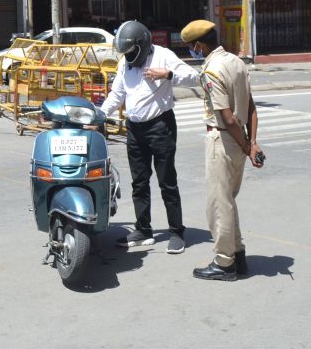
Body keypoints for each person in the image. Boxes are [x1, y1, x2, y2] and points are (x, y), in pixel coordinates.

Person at [100, 20, 199, 254]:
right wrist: (99, 115)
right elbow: (117, 94)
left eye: (132, 51)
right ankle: (143, 229)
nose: (129, 56)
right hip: (135, 130)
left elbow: (194, 77)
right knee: (139, 182)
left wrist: (168, 75)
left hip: (160, 127)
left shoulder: (164, 56)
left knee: (167, 182)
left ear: (142, 44)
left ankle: (176, 231)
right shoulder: (125, 64)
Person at [181, 20, 264, 281]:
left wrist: (245, 145)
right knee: (228, 201)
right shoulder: (236, 62)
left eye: (192, 47)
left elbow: (227, 118)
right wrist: (252, 144)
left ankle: (224, 263)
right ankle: (237, 254)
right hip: (239, 140)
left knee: (218, 205)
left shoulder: (212, 70)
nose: (193, 51)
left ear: (199, 45)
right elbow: (251, 107)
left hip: (224, 139)